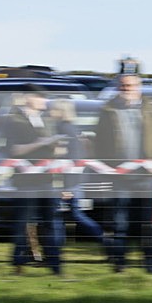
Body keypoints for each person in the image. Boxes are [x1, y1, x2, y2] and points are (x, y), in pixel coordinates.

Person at [94, 73, 152, 273]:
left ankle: (150, 265)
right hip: (119, 176)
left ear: (139, 87)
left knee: (147, 222)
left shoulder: (151, 110)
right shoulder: (107, 110)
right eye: (123, 85)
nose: (126, 89)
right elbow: (100, 142)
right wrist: (106, 166)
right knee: (119, 221)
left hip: (146, 176)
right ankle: (120, 264)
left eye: (130, 85)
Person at [3, 86, 66, 275]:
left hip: (47, 178)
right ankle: (18, 262)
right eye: (39, 97)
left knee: (51, 221)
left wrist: (57, 147)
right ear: (28, 98)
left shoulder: (46, 120)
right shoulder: (14, 120)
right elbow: (13, 150)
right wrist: (40, 143)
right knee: (23, 221)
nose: (43, 101)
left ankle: (54, 263)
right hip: (25, 180)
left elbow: (54, 150)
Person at [49, 99, 105, 245]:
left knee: (64, 215)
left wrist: (67, 186)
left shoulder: (64, 130)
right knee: (72, 214)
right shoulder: (73, 128)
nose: (50, 112)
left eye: (54, 110)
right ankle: (103, 238)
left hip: (69, 180)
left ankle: (103, 238)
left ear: (61, 112)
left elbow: (72, 158)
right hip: (76, 179)